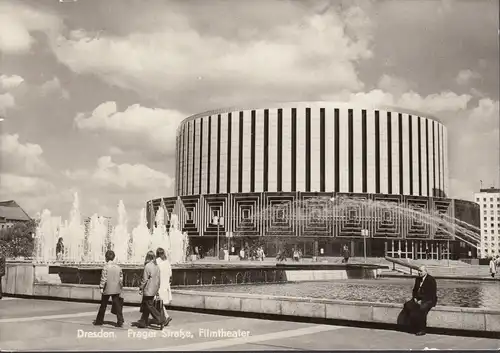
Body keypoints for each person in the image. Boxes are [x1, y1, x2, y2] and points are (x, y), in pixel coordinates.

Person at [136, 250, 167, 329]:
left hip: (148, 289)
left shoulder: (147, 266)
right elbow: (159, 279)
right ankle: (143, 321)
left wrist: (141, 288)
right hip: (154, 289)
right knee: (147, 305)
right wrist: (157, 289)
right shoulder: (156, 266)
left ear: (147, 257)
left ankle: (160, 319)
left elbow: (145, 279)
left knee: (149, 305)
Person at [93, 250, 124, 327]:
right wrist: (120, 286)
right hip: (116, 288)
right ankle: (120, 320)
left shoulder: (105, 267)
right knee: (117, 305)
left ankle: (99, 321)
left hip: (107, 288)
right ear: (113, 258)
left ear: (106, 258)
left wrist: (101, 287)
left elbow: (104, 278)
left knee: (103, 305)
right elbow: (121, 279)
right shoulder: (118, 267)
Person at [409, 266, 437, 336]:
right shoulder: (418, 279)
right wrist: (415, 298)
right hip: (418, 299)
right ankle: (413, 325)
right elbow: (414, 290)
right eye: (418, 271)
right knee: (407, 305)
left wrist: (422, 300)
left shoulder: (431, 279)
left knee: (422, 308)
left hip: (429, 299)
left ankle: (422, 329)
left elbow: (432, 293)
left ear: (425, 271)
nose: (419, 272)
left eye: (421, 271)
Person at [155, 247, 173, 327]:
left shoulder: (157, 262)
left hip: (160, 284)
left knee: (158, 301)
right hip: (166, 284)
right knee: (160, 302)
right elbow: (170, 275)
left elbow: (156, 273)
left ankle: (166, 317)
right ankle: (162, 317)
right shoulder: (167, 262)